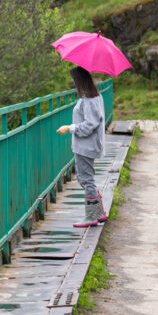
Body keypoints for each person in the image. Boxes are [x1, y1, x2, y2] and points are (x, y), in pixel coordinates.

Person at [56, 66, 107, 227]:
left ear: (80, 80)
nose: (73, 83)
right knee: (84, 177)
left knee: (86, 179)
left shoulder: (89, 99)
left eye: (74, 79)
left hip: (86, 145)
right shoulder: (92, 97)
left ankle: (91, 216)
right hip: (86, 145)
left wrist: (70, 128)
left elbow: (90, 124)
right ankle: (98, 213)